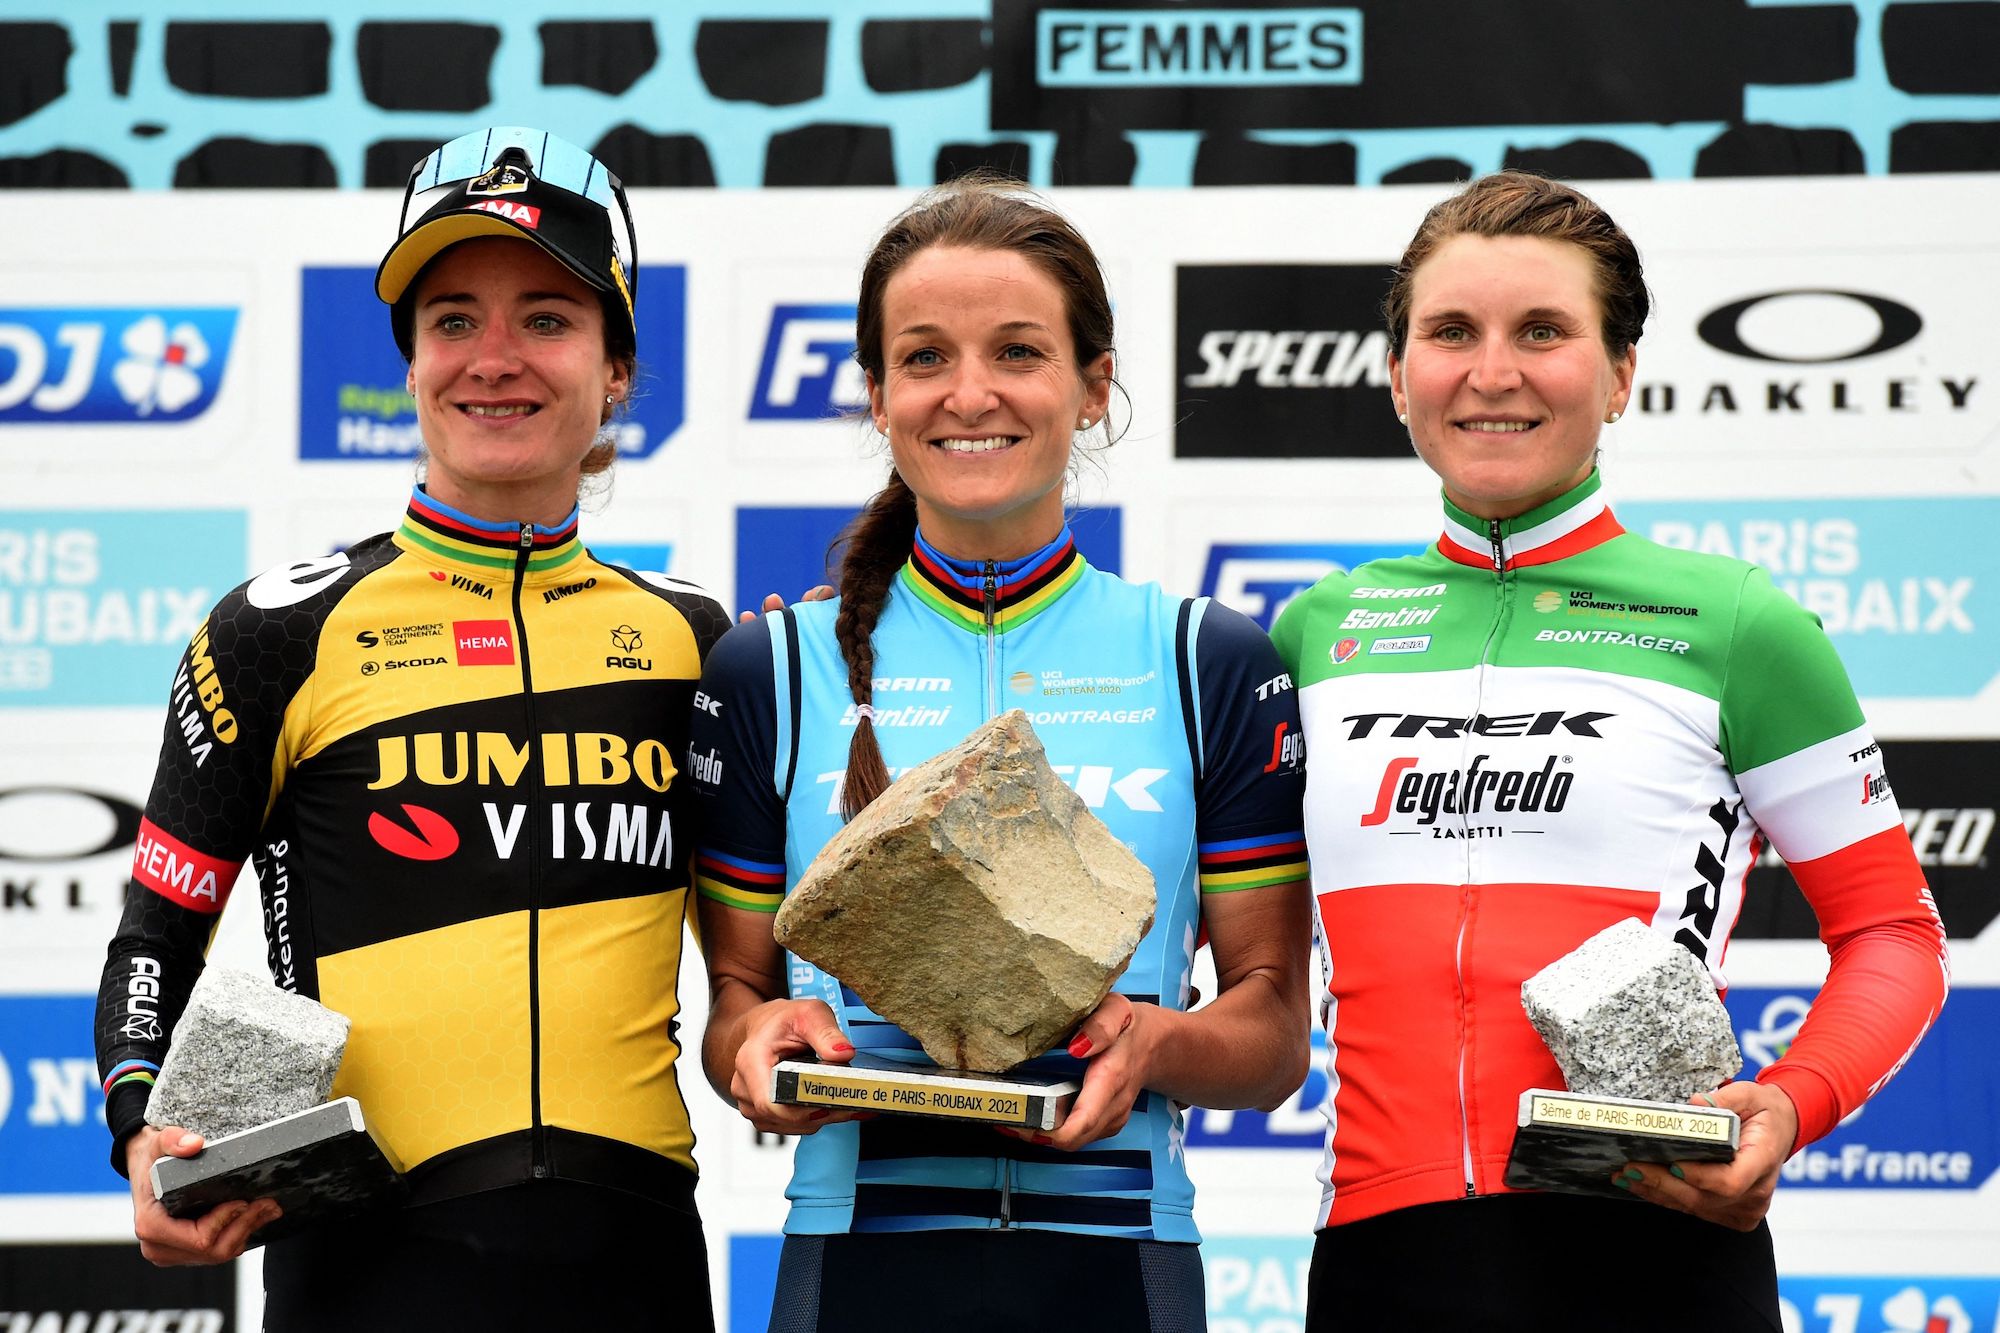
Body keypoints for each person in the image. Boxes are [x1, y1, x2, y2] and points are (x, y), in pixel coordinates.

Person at [1271, 171, 1950, 1330]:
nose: (1492, 372)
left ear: (1620, 372)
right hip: (1383, 1256)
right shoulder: (1315, 631)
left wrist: (1782, 1107)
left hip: (1654, 1239)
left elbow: (1895, 933)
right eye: (1449, 333)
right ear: (1396, 377)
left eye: (1542, 331)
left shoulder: (1734, 621)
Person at [93, 126, 728, 1330]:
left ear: (618, 369)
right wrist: (140, 1130)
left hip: (633, 1262)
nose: (494, 359)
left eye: (546, 318)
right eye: (452, 320)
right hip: (367, 1268)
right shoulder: (277, 632)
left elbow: (759, 967)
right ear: (409, 363)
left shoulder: (703, 644)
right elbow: (152, 941)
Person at [687, 175, 1313, 1332]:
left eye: (1017, 351)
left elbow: (1273, 1030)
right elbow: (736, 1000)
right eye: (923, 358)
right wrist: (756, 1046)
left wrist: (1157, 1040)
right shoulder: (768, 668)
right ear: (875, 395)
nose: (968, 393)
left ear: (1092, 383)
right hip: (853, 1264)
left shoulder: (1205, 659)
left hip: (1119, 1263)